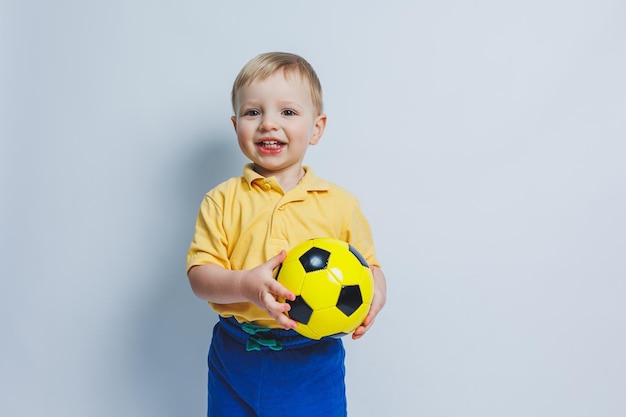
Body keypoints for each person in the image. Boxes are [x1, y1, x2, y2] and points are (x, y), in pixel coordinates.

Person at [186, 51, 387, 417]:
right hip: (235, 353)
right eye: (253, 112)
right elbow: (200, 278)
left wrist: (378, 294)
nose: (268, 124)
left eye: (288, 112)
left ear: (317, 128)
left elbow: (370, 267)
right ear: (236, 127)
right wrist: (245, 285)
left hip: (310, 359)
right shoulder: (222, 200)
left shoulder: (339, 203)